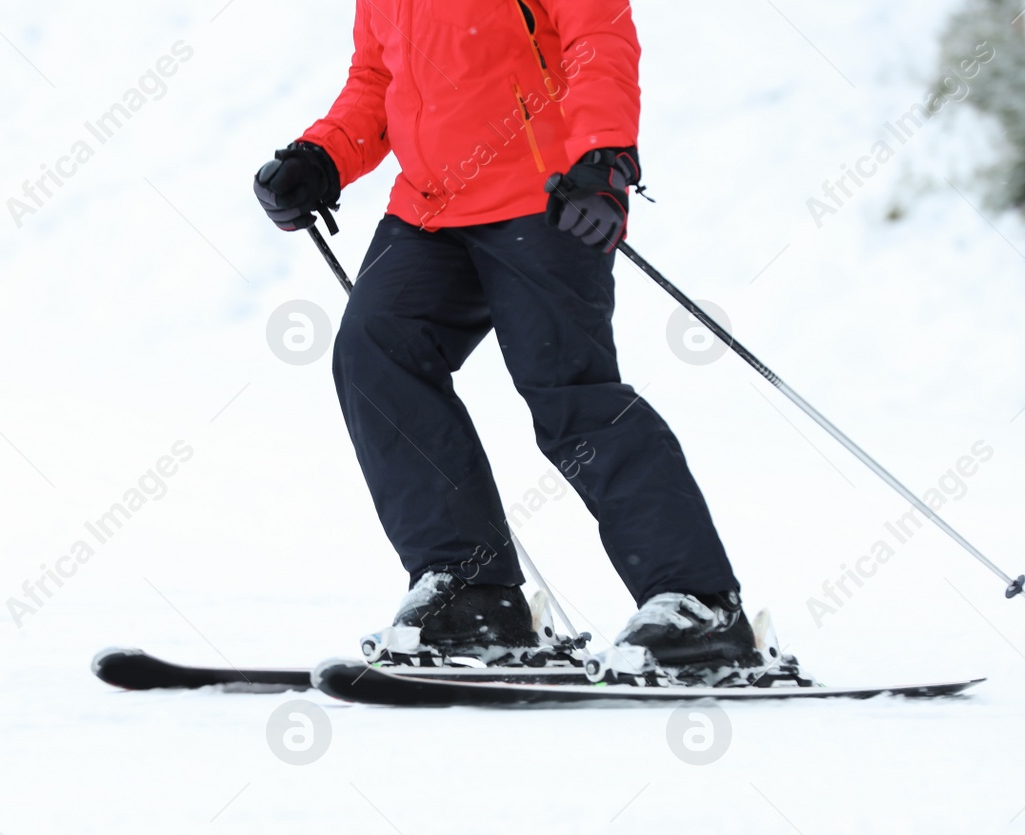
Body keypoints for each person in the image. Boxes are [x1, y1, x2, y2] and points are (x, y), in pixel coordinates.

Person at [254, 0, 769, 678]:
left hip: (544, 196)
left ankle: (698, 605)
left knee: (570, 396)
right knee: (373, 354)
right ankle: (473, 595)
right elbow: (380, 78)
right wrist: (323, 156)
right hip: (429, 207)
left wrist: (602, 157)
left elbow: (597, 37)